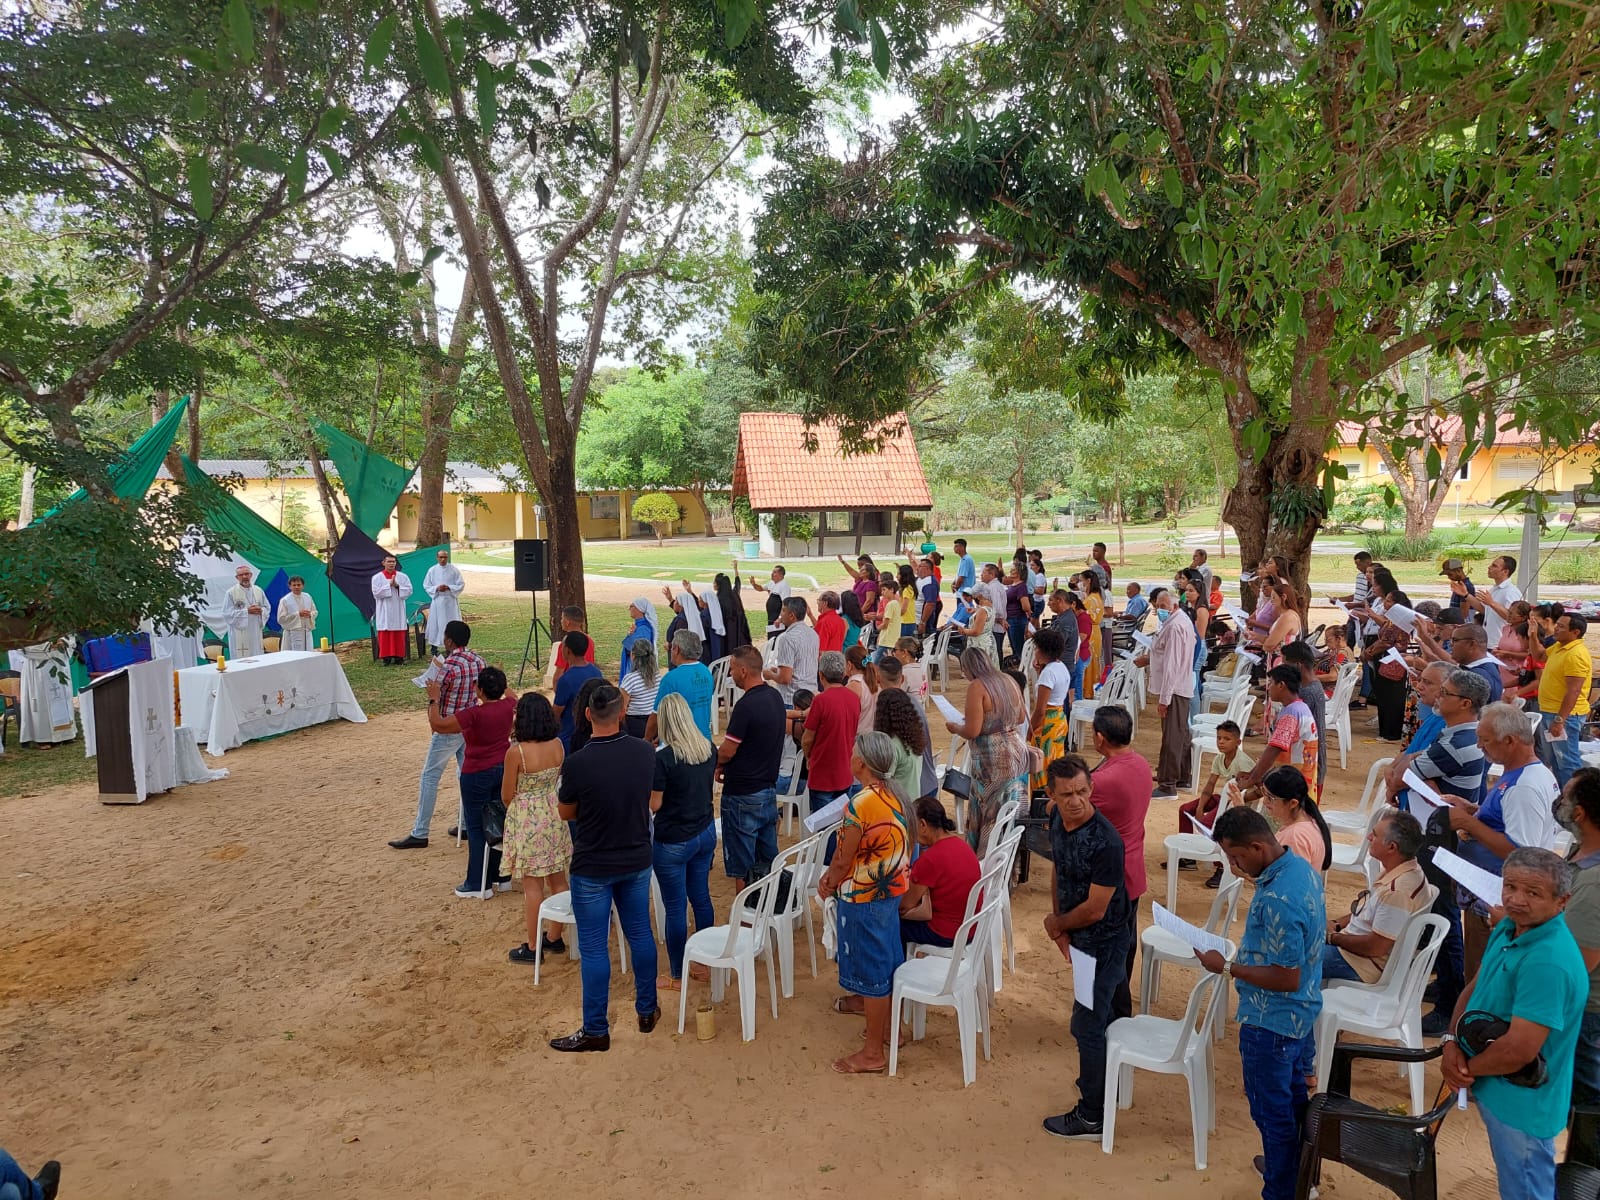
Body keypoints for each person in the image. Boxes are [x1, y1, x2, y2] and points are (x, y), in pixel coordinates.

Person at [1440, 848, 1587, 1200]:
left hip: (1523, 1106)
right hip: (1497, 1088)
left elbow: (1519, 1049)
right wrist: (1450, 1042)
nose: (1516, 900)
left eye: (1533, 893)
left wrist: (1465, 1071)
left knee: (1524, 1189)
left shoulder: (1548, 962)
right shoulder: (1509, 926)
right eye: (1510, 887)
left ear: (1562, 901)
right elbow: (1475, 987)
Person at [1197, 806, 1325, 1200]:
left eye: (1236, 858)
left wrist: (1227, 967)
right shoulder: (1298, 869)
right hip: (1299, 1016)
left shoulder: (1279, 901)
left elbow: (1287, 976)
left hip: (1272, 1022)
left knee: (1271, 1115)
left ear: (1257, 846)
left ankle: (1280, 1189)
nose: (1233, 867)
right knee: (1289, 1106)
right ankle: (1294, 1175)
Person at [551, 685, 660, 1052]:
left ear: (586, 715)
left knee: (595, 948)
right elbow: (647, 797)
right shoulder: (644, 752)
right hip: (635, 856)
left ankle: (596, 1028)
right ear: (622, 713)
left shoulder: (578, 762)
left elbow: (565, 812)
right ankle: (647, 1009)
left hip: (593, 863)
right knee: (640, 934)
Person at [1438, 700, 1561, 1012]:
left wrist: (1468, 824)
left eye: (1485, 740)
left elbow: (1525, 854)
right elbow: (1506, 821)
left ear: (1510, 740)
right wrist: (1475, 812)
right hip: (1487, 891)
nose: (1480, 746)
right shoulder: (1519, 774)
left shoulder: (1524, 786)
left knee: (1483, 976)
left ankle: (1472, 1032)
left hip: (1494, 898)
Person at [1039, 753, 1134, 1142]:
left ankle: (1092, 1116)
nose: (1076, 800)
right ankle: (1104, 1084)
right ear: (1052, 795)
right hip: (1080, 940)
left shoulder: (1107, 843)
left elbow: (1096, 910)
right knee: (1102, 1015)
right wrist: (1059, 926)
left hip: (1106, 942)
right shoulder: (1056, 818)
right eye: (1067, 794)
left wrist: (1057, 924)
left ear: (1091, 788)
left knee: (1087, 1023)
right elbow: (1059, 868)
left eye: (1082, 791)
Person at [816, 731, 913, 1074]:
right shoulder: (895, 795)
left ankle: (873, 1053)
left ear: (861, 763)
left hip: (865, 895)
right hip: (889, 891)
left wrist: (827, 881)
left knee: (873, 973)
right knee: (887, 961)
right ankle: (891, 1030)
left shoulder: (861, 803)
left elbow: (843, 859)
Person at [390, 620, 483, 849]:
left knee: (430, 776)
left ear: (449, 640)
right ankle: (464, 824)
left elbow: (435, 692)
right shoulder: (478, 661)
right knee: (465, 774)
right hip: (469, 724)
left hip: (448, 724)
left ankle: (420, 832)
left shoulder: (448, 666)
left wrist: (431, 694)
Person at [427, 664, 514, 899]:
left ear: (480, 690)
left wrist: (434, 700)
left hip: (476, 771)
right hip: (502, 768)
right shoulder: (508, 705)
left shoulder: (474, 714)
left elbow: (438, 725)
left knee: (476, 827)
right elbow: (512, 695)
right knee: (499, 821)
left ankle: (478, 882)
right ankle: (501, 876)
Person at [1087, 705, 1152, 1021]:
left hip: (1109, 879)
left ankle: (1111, 1018)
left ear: (1100, 738)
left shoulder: (1102, 781)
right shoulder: (1140, 764)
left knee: (1106, 953)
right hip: (1133, 870)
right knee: (1124, 947)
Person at [650, 692, 718, 992]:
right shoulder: (708, 748)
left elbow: (654, 804)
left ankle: (678, 974)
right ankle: (704, 961)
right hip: (704, 832)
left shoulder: (663, 759)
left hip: (673, 840)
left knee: (675, 907)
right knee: (701, 897)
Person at [1323, 808, 1436, 982]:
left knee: (1286, 957)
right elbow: (1366, 911)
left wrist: (1332, 937)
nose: (1368, 837)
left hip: (1359, 964)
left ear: (1392, 847)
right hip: (1353, 952)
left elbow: (1376, 947)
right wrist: (1336, 924)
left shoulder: (1396, 892)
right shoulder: (1403, 869)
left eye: (1374, 835)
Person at [500, 692, 571, 964]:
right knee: (558, 878)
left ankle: (533, 945)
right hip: (553, 811)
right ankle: (554, 936)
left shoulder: (515, 753)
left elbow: (507, 794)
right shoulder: (558, 745)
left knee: (532, 885)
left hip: (528, 815)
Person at [943, 647, 1030, 853]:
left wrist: (955, 727)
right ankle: (1008, 862)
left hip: (992, 758)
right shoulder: (1009, 680)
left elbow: (972, 731)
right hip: (1017, 751)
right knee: (1011, 808)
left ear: (968, 668)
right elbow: (1019, 718)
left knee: (989, 809)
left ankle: (985, 857)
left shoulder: (978, 686)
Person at [717, 646, 786, 886]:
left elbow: (728, 749)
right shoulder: (775, 697)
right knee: (767, 862)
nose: (731, 674)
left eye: (733, 669)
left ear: (744, 671)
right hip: (767, 791)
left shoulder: (746, 706)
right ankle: (767, 916)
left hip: (742, 796)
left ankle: (746, 922)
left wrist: (716, 763)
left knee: (744, 869)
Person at [1557, 768, 1600, 1105]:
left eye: (1565, 797)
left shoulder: (1594, 882)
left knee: (1586, 1106)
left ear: (1580, 813)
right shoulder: (1580, 850)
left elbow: (1578, 963)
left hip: (1588, 1016)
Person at [1177, 719, 1253, 886]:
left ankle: (1221, 866)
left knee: (1212, 825)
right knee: (1185, 810)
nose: (1221, 742)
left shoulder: (1244, 763)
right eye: (1219, 738)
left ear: (1238, 742)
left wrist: (1219, 810)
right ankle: (1188, 860)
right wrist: (1200, 806)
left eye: (1227, 739)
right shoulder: (1219, 759)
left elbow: (1244, 793)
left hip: (1235, 803)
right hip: (1223, 797)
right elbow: (1210, 785)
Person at [898, 795, 981, 947]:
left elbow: (904, 906)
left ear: (922, 825)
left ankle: (897, 969)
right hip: (971, 927)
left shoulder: (930, 859)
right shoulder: (961, 844)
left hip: (947, 933)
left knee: (892, 926)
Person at [1140, 588, 1196, 800]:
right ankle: (1181, 775)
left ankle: (1168, 783)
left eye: (1163, 607)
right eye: (1157, 607)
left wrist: (1164, 699)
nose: (1159, 610)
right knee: (1180, 733)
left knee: (1172, 735)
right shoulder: (1177, 621)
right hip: (1178, 686)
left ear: (1174, 606)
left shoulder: (1175, 626)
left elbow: (1172, 665)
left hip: (1174, 688)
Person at [1241, 665, 1320, 800]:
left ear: (1281, 685)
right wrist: (1252, 773)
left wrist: (1253, 778)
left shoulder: (1291, 713)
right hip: (1300, 781)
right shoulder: (1301, 708)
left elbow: (1274, 748)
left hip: (1289, 787)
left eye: (1271, 683)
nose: (1268, 688)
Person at [801, 651, 861, 813]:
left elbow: (807, 739)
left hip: (822, 774)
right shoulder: (853, 698)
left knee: (824, 828)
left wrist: (809, 757)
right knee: (840, 824)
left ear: (821, 676)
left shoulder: (821, 700)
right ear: (843, 674)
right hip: (845, 770)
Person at [1537, 611, 1591, 787]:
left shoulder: (1576, 654)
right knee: (1556, 760)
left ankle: (1574, 800)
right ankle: (1562, 797)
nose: (1556, 629)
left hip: (1564, 716)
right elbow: (1539, 656)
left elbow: (1573, 691)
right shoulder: (1560, 646)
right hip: (1550, 711)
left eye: (1561, 626)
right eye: (1557, 625)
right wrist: (1532, 635)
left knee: (1567, 762)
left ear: (1575, 632)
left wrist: (1560, 720)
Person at [876, 657, 939, 799]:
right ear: (902, 678)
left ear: (878, 679)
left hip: (911, 792)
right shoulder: (912, 703)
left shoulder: (886, 707)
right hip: (927, 782)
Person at [1260, 765, 1333, 877]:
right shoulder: (1308, 820)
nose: (1264, 801)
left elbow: (1292, 885)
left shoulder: (1295, 837)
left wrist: (1248, 876)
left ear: (1293, 803)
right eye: (1264, 793)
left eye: (1270, 797)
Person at [1028, 628, 1073, 793]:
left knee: (1042, 767)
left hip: (1047, 723)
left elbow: (1040, 710)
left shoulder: (1048, 674)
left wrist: (1029, 731)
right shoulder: (1060, 667)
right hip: (1059, 719)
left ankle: (1041, 803)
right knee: (1054, 764)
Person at [649, 630, 712, 741]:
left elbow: (657, 715)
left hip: (680, 744)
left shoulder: (671, 679)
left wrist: (646, 738)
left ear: (676, 649)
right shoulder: (705, 671)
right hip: (704, 740)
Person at [16, 639, 76, 747]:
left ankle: (66, 734)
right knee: (41, 701)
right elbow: (21, 646)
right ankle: (43, 738)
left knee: (62, 698)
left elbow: (71, 637)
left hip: (59, 664)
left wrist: (64, 642)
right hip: (38, 666)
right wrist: (48, 646)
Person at [551, 631, 602, 749]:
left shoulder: (566, 679)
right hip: (591, 732)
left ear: (567, 650)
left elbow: (556, 713)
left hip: (570, 737)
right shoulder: (596, 672)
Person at [765, 596, 819, 703]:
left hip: (792, 698)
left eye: (783, 610)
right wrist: (778, 670)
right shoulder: (813, 634)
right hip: (810, 694)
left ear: (792, 615)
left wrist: (769, 675)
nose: (781, 614)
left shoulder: (786, 638)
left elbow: (785, 678)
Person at [1466, 554, 1524, 646]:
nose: (1489, 567)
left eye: (1494, 566)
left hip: (1499, 642)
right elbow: (1484, 609)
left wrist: (1491, 603)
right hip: (1489, 640)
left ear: (1505, 571)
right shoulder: (1494, 589)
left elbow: (1512, 617)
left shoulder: (1511, 591)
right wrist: (1465, 595)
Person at [370, 554, 413, 665]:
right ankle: (386, 658)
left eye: (393, 562)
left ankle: (399, 657)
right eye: (389, 561)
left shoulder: (402, 577)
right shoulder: (377, 577)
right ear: (383, 563)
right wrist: (389, 585)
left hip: (398, 609)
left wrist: (398, 586)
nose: (391, 564)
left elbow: (409, 591)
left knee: (398, 633)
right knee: (385, 632)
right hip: (384, 610)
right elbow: (376, 593)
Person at [422, 548, 465, 652]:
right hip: (438, 601)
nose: (443, 559)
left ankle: (452, 646)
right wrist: (437, 588)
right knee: (436, 623)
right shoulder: (432, 570)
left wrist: (450, 587)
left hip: (450, 601)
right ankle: (434, 646)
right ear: (437, 558)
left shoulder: (454, 570)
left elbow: (461, 584)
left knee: (451, 623)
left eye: (445, 557)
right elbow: (426, 585)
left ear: (447, 557)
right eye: (440, 557)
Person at [618, 637, 660, 739]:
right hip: (655, 721)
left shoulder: (630, 679)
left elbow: (621, 708)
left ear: (633, 656)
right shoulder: (658, 676)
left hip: (635, 724)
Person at [224, 564, 268, 658]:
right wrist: (246, 611)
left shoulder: (258, 590)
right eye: (241, 575)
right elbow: (227, 613)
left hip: (255, 630)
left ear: (251, 575)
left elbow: (267, 607)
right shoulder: (231, 593)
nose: (244, 577)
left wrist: (261, 611)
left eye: (247, 574)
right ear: (237, 577)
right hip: (239, 633)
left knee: (256, 656)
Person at [550, 606, 595, 691]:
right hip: (588, 686)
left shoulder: (566, 644)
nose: (561, 621)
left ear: (567, 622)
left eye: (562, 618)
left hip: (571, 686)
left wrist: (557, 692)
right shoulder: (590, 641)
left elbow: (559, 673)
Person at [681, 579, 724, 662]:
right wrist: (690, 591)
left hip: (706, 653)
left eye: (700, 599)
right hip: (717, 651)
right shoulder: (716, 613)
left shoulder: (704, 615)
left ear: (705, 602)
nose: (698, 600)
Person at [843, 644, 880, 737]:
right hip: (872, 736)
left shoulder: (853, 686)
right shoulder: (874, 683)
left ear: (849, 665)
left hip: (856, 738)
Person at [275, 576, 318, 652]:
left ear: (303, 586)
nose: (296, 587)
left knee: (308, 654)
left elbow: (315, 611)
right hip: (293, 632)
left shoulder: (307, 597)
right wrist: (298, 614)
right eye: (294, 585)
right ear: (290, 586)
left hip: (306, 631)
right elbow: (281, 619)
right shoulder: (285, 600)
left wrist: (310, 614)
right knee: (295, 655)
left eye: (299, 585)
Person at [620, 596, 658, 678]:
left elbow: (634, 648)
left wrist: (630, 636)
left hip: (638, 669)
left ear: (639, 609)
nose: (629, 609)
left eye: (631, 606)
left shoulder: (644, 628)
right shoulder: (639, 626)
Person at [748, 564, 791, 633]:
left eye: (774, 572)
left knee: (777, 637)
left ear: (781, 575)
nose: (772, 574)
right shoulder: (771, 583)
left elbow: (785, 604)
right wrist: (754, 584)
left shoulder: (784, 586)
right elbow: (761, 588)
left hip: (778, 618)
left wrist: (780, 618)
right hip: (771, 617)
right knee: (771, 636)